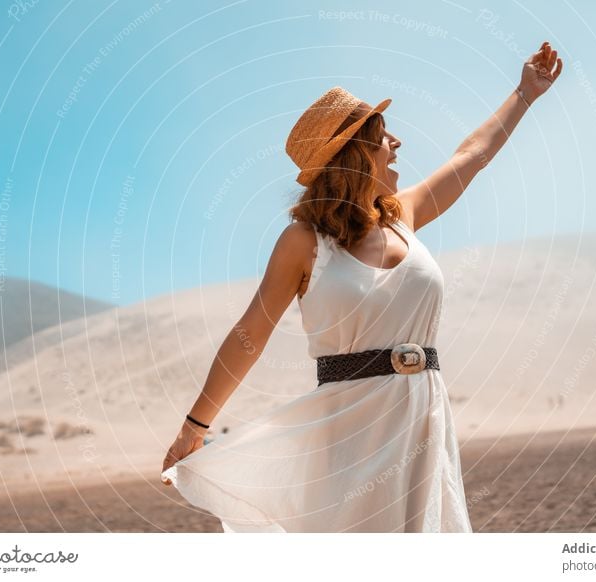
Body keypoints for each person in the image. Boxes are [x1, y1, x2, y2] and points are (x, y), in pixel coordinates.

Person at [161, 42, 563, 532]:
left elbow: (471, 156)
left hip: (422, 423)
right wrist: (195, 426)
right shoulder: (303, 241)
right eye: (383, 136)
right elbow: (250, 334)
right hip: (349, 436)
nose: (397, 143)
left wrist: (525, 93)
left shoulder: (405, 218)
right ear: (353, 155)